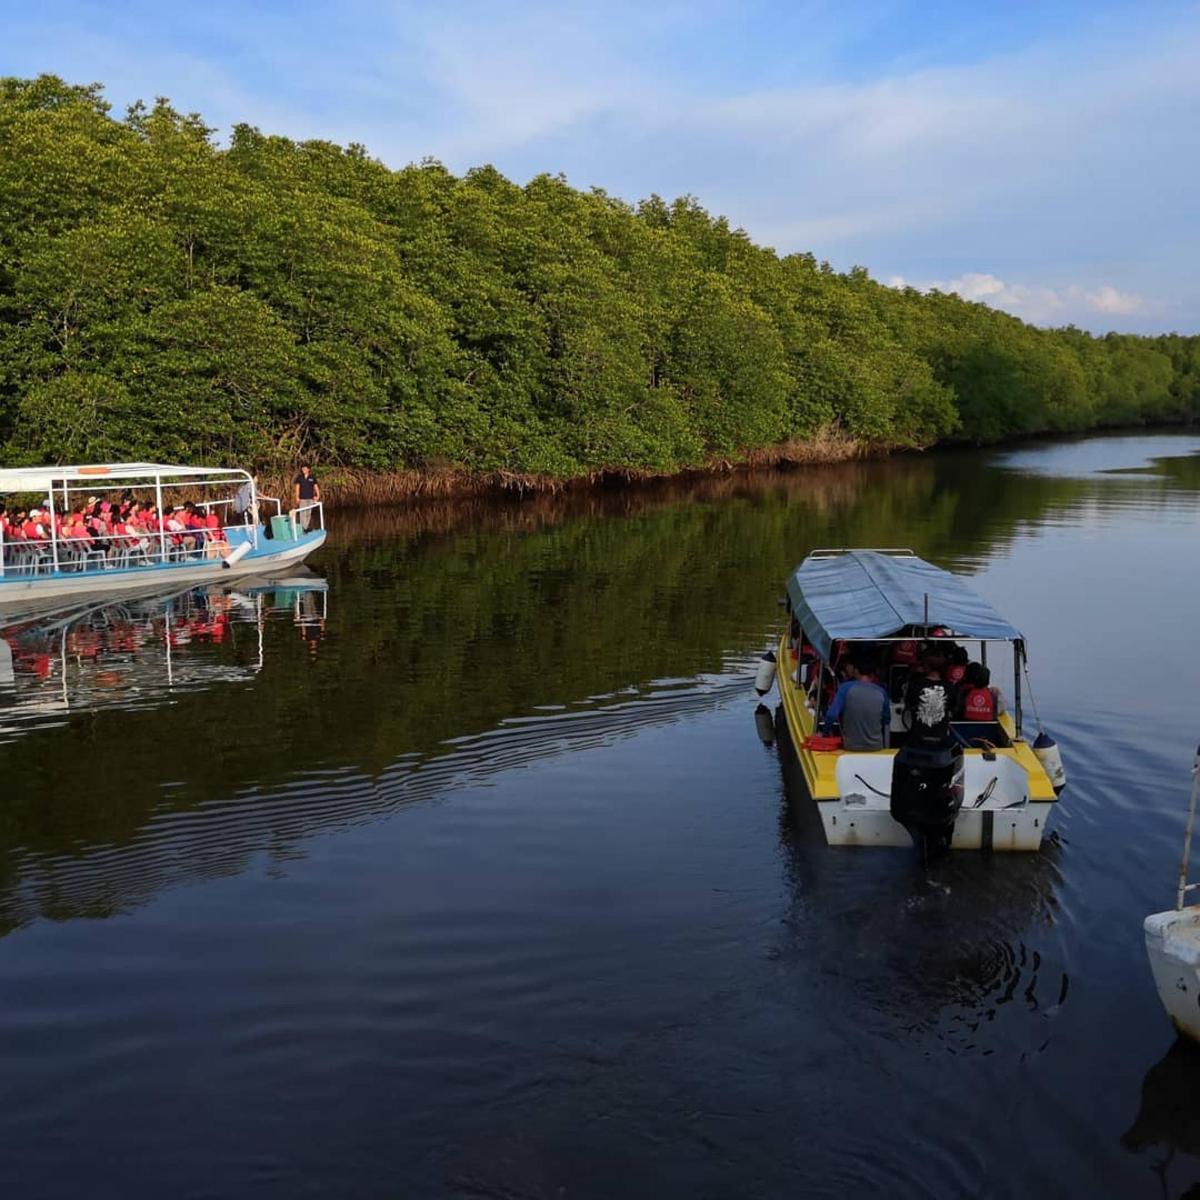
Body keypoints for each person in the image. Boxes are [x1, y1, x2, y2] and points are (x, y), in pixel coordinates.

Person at [820, 651, 890, 751]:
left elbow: (831, 715)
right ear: (872, 674)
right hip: (876, 748)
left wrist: (825, 734)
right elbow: (886, 720)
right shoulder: (882, 692)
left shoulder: (845, 688)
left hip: (851, 747)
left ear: (856, 671)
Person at [904, 647, 957, 741]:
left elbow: (908, 705)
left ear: (925, 665)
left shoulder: (915, 685)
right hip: (941, 737)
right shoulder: (950, 687)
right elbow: (953, 709)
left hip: (918, 738)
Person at [292, 464, 321, 532]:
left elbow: (316, 487)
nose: (303, 470)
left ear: (308, 469)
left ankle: (305, 527)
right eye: (302, 468)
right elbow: (297, 488)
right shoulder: (299, 477)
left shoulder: (312, 477)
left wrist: (318, 495)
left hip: (310, 498)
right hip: (302, 498)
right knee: (303, 513)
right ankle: (302, 528)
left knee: (308, 513)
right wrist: (297, 497)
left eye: (305, 468)